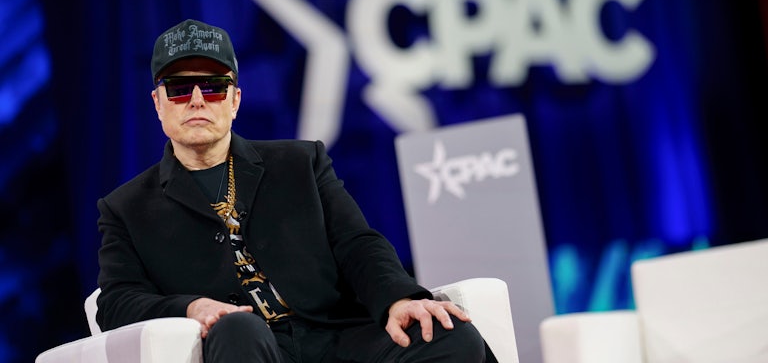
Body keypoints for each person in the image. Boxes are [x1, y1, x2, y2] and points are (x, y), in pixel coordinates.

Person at [96, 19, 496, 362]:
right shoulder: (125, 208)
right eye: (180, 90)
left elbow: (356, 243)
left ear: (235, 100)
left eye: (214, 87)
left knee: (450, 336)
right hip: (249, 346)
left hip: (338, 336)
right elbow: (116, 303)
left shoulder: (301, 163)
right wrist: (191, 307)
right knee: (238, 332)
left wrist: (398, 299)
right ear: (158, 103)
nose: (197, 100)